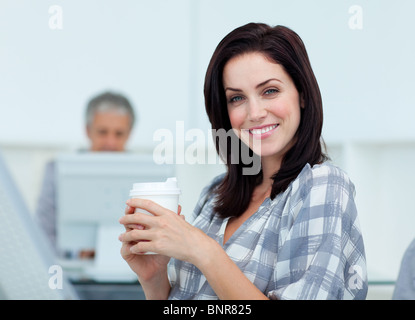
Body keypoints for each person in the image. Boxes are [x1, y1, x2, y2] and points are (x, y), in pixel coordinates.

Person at [118, 23, 367, 300]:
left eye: (270, 91)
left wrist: (203, 250)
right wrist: (154, 279)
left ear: (303, 95)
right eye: (237, 98)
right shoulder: (215, 196)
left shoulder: (322, 186)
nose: (255, 112)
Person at [36, 91, 136, 252]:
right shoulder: (57, 171)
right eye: (103, 132)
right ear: (88, 130)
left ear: (129, 134)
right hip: (72, 271)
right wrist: (76, 253)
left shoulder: (141, 175)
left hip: (133, 270)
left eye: (119, 134)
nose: (110, 143)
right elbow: (43, 234)